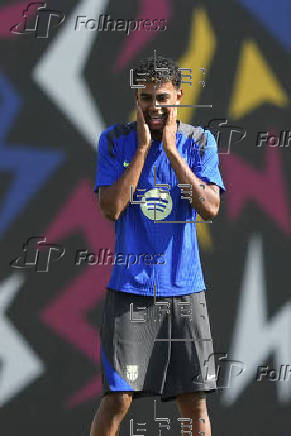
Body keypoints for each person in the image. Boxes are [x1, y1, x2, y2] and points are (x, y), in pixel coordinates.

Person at [90, 54, 226, 436]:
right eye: (147, 98)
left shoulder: (200, 141)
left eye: (162, 97)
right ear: (137, 99)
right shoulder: (115, 141)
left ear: (178, 96)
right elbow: (111, 208)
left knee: (194, 402)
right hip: (129, 289)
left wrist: (170, 152)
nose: (155, 106)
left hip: (185, 290)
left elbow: (211, 208)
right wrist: (142, 152)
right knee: (117, 398)